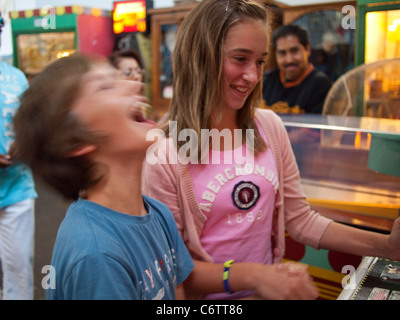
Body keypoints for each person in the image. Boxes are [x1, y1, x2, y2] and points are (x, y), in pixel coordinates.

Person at [142, 0, 400, 300]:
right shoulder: (164, 152)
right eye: (240, 59)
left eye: (261, 61)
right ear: (201, 58)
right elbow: (171, 271)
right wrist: (255, 275)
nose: (252, 76)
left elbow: (301, 219)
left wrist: (388, 247)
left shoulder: (269, 127)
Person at [13, 54, 319, 300]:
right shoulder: (97, 255)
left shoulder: (155, 213)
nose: (135, 85)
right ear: (76, 141)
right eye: (105, 87)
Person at [0, 15, 37, 300]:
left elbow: (31, 124)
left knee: (18, 271)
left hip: (17, 188)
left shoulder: (16, 78)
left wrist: (26, 143)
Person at [261, 24, 332, 114]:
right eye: (282, 53)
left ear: (308, 49)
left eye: (294, 51)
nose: (289, 59)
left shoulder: (321, 84)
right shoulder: (266, 80)